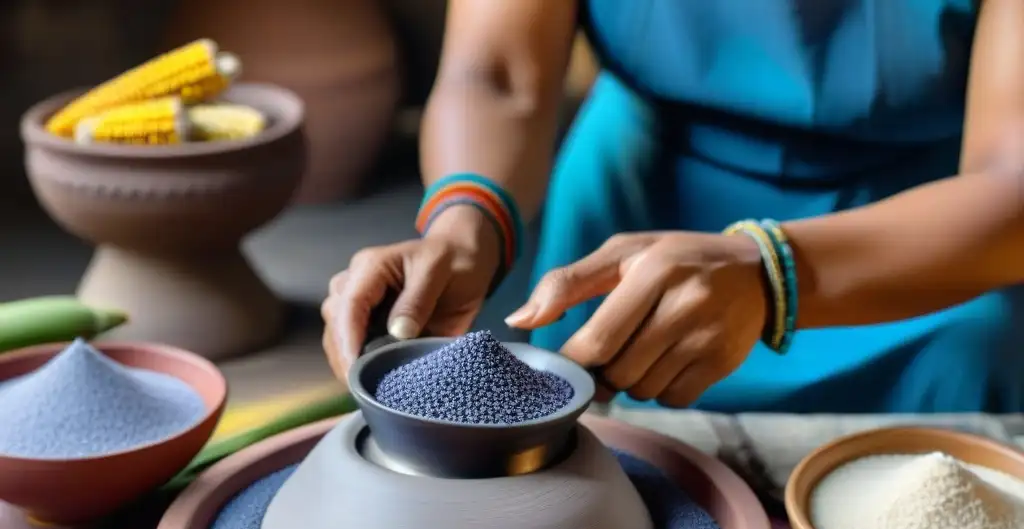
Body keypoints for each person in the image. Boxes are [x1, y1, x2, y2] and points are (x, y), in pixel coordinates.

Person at [322, 0, 1024, 414]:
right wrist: (463, 222)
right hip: (634, 202)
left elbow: (1010, 174)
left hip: (929, 238)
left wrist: (770, 273)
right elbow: (499, 72)